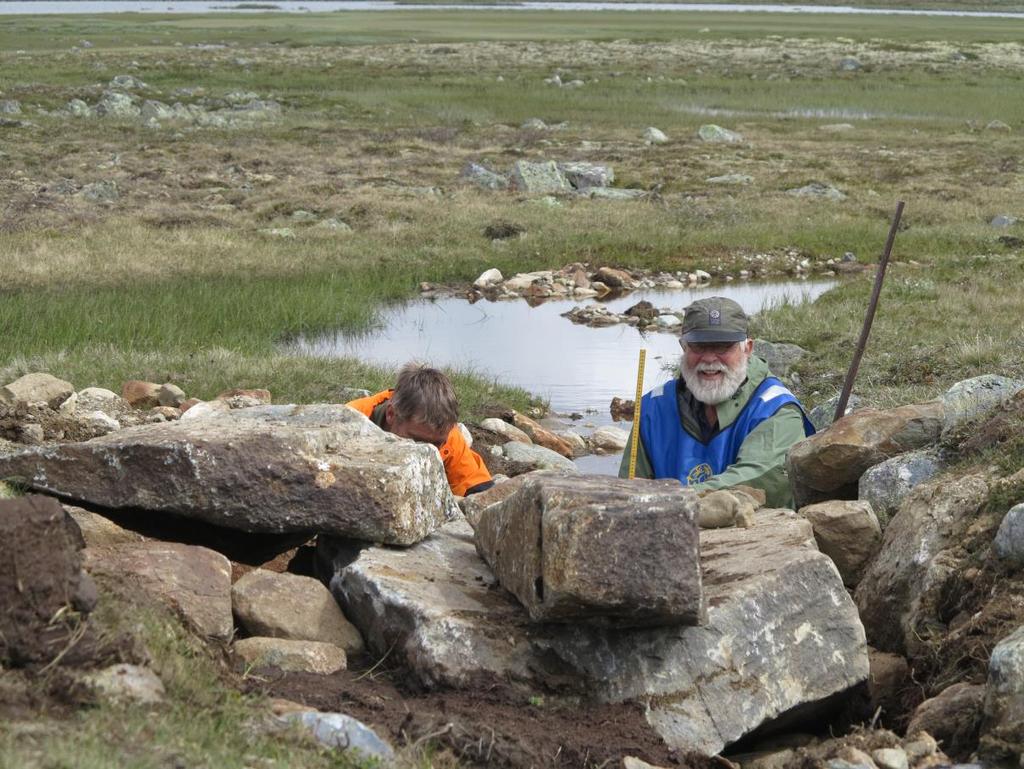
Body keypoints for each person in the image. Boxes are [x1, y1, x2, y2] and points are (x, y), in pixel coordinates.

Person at [619, 296, 814, 508]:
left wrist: (669, 496)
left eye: (722, 347)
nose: (709, 358)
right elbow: (627, 490)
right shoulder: (652, 408)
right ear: (684, 346)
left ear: (747, 348)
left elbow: (755, 476)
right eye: (699, 346)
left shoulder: (778, 410)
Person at [347, 364, 494, 497]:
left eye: (436, 444)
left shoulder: (448, 436)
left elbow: (477, 490)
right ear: (391, 414)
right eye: (417, 440)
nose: (427, 450)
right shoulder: (348, 422)